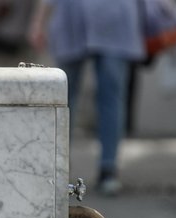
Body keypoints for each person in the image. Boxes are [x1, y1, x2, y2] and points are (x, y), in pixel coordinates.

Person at [28, 0, 145, 195]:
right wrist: (38, 21)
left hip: (109, 18)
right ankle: (60, 165)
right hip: (76, 18)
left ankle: (107, 168)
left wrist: (38, 21)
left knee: (106, 96)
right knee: (63, 97)